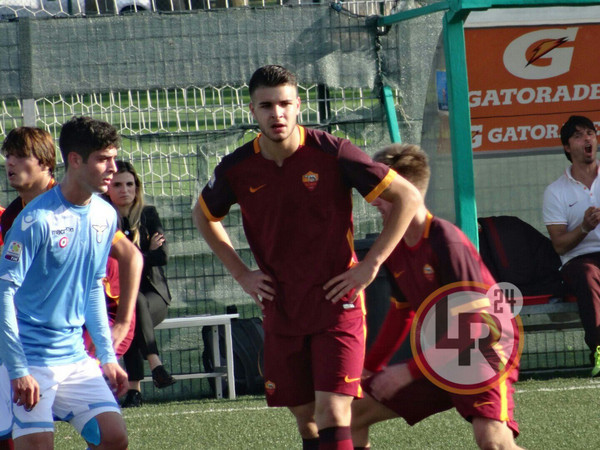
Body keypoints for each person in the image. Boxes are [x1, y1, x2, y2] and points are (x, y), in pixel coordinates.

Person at [193, 65, 421, 449]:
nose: (276, 114)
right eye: (266, 105)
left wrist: (371, 264)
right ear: (252, 110)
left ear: (298, 105)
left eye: (284, 104)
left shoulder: (332, 152)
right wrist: (241, 273)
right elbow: (203, 214)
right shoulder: (237, 167)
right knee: (307, 421)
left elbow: (408, 198)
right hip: (281, 305)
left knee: (332, 413)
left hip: (337, 302)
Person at [350, 143, 522, 450]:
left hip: (484, 349)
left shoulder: (446, 239)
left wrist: (410, 370)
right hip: (438, 355)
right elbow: (401, 311)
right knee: (352, 416)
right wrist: (369, 367)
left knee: (493, 443)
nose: (373, 198)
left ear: (407, 191)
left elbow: (476, 324)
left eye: (381, 188)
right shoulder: (394, 244)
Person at [0, 116, 129, 449]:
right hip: (29, 357)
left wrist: (107, 356)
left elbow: (91, 288)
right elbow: (5, 293)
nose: (113, 168)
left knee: (113, 438)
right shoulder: (35, 220)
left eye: (113, 157)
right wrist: (17, 369)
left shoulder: (105, 215)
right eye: (103, 159)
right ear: (75, 160)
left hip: (74, 358)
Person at [106, 160, 176, 408]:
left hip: (155, 294)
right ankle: (151, 370)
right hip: (119, 297)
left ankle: (135, 387)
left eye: (130, 184)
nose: (125, 189)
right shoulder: (103, 218)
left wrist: (133, 258)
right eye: (118, 184)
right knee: (132, 302)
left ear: (137, 188)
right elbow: (110, 261)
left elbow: (163, 257)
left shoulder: (148, 214)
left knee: (135, 302)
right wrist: (145, 252)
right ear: (108, 188)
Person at [543, 115, 600, 376]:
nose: (587, 139)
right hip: (578, 260)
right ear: (567, 147)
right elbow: (559, 245)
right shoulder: (555, 191)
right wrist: (585, 228)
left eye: (590, 133)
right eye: (578, 135)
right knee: (588, 275)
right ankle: (598, 348)